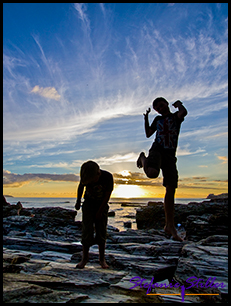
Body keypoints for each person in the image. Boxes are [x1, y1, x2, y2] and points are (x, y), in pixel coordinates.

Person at [137, 97, 187, 241]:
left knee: (171, 188)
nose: (160, 108)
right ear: (156, 111)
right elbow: (148, 133)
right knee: (152, 173)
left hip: (170, 155)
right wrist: (146, 119)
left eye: (161, 105)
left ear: (166, 104)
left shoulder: (175, 117)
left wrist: (180, 105)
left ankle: (169, 226)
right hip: (157, 150)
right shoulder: (157, 120)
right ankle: (142, 158)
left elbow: (183, 113)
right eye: (157, 107)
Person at [75, 161, 114, 269]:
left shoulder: (107, 177)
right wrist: (78, 201)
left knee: (101, 231)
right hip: (88, 204)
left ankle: (102, 259)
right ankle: (84, 259)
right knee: (87, 230)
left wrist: (100, 211)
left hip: (102, 204)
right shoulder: (87, 176)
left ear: (98, 173)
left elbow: (107, 195)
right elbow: (81, 186)